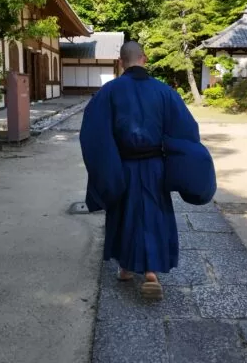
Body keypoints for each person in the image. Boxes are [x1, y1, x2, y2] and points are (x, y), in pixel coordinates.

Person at [80, 41, 216, 300]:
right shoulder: (165, 92)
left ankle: (126, 268)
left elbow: (93, 136)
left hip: (122, 166)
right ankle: (152, 273)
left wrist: (106, 169)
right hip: (155, 167)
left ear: (121, 62)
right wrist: (175, 162)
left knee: (124, 215)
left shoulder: (108, 92)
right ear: (144, 58)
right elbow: (187, 133)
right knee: (154, 215)